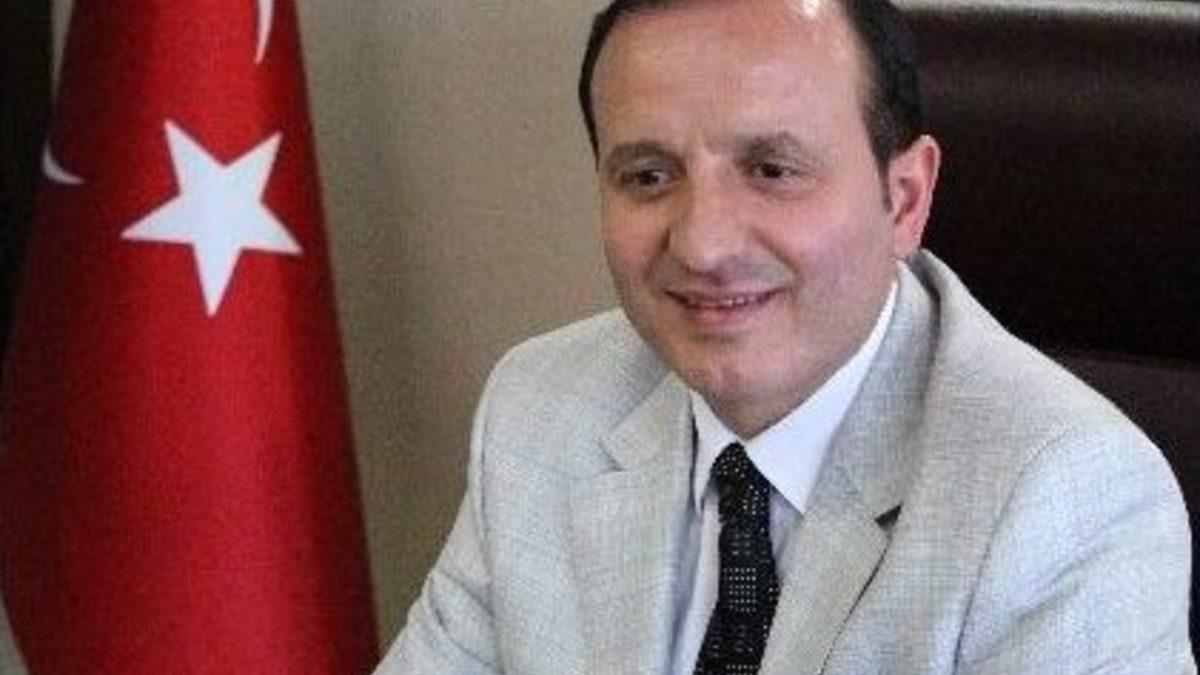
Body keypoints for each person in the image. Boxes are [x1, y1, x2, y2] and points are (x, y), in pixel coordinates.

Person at [375, 0, 1194, 672]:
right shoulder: (542, 408)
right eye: (649, 176)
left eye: (772, 170)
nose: (704, 245)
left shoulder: (1062, 498)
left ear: (904, 199)